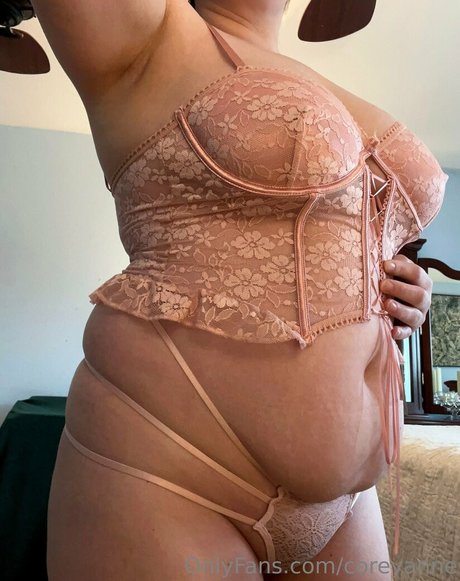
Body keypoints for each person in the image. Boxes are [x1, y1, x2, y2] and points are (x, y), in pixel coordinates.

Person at [23, 1, 444, 579]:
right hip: (169, 465)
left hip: (348, 502)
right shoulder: (150, 34)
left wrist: (401, 289)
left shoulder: (325, 85)